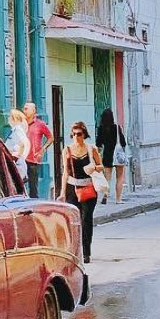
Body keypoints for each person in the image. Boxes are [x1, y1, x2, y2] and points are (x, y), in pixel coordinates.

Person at [61, 122, 103, 263]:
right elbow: (65, 172)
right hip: (72, 188)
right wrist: (62, 193)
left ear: (84, 134)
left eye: (79, 134)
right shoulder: (67, 150)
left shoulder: (92, 149)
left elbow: (101, 166)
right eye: (73, 134)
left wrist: (94, 168)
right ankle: (74, 251)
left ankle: (86, 252)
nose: (76, 137)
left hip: (88, 188)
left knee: (86, 220)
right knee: (73, 220)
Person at [96, 107, 128, 204]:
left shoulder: (101, 129)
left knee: (107, 177)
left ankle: (105, 194)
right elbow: (123, 142)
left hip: (107, 155)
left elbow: (98, 143)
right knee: (119, 177)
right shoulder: (117, 128)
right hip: (117, 155)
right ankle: (118, 199)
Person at [23, 102, 53, 199]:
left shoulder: (40, 124)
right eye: (24, 109)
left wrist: (43, 149)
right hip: (21, 158)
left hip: (33, 159)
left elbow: (50, 137)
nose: (25, 111)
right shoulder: (22, 123)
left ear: (33, 111)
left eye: (27, 109)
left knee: (33, 187)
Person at [3, 108, 31, 184]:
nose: (8, 119)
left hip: (17, 165)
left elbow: (25, 143)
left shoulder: (18, 130)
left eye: (9, 117)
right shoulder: (14, 130)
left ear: (14, 119)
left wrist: (20, 156)